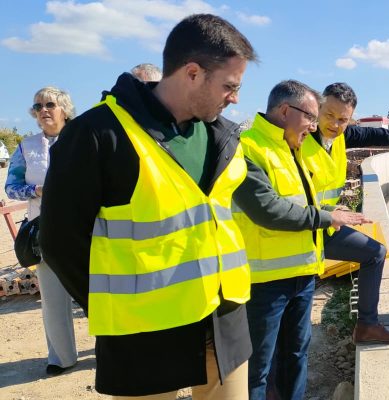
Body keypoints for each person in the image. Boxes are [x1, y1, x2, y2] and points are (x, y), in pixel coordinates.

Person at [39, 14, 258, 398]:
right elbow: (60, 241)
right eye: (229, 86)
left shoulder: (223, 136)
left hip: (225, 323)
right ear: (192, 73)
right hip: (143, 334)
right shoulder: (98, 134)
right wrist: (115, 308)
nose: (235, 98)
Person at [232, 80, 371, 400]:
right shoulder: (248, 147)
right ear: (284, 110)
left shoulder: (294, 145)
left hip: (304, 273)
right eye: (311, 115)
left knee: (296, 355)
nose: (315, 124)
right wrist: (328, 217)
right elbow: (267, 210)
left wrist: (327, 209)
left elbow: (302, 201)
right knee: (258, 368)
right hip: (263, 280)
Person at [301, 82, 389, 344]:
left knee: (375, 253)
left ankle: (367, 326)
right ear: (317, 107)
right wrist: (328, 212)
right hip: (297, 231)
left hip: (324, 229)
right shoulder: (298, 139)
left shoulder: (341, 137)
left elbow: (378, 135)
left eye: (343, 120)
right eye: (329, 115)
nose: (335, 124)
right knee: (295, 326)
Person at [5, 86, 78, 376]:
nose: (43, 110)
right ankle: (60, 357)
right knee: (52, 295)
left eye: (49, 104)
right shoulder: (26, 147)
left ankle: (109, 351)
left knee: (98, 292)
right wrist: (35, 190)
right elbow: (10, 186)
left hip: (87, 227)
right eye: (38, 106)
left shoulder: (83, 137)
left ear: (64, 108)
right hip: (44, 228)